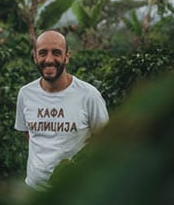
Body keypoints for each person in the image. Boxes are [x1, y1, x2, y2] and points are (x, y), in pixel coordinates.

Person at [14, 30, 109, 190]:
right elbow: (29, 134)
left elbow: (105, 141)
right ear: (35, 56)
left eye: (56, 53)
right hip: (34, 192)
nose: (49, 59)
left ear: (67, 56)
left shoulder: (89, 95)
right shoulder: (25, 93)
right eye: (43, 53)